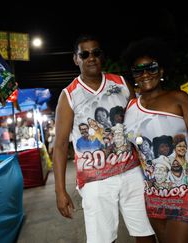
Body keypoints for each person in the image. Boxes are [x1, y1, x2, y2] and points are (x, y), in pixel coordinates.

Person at [53, 34, 155, 243]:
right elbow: (61, 145)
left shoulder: (121, 83)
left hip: (131, 172)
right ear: (76, 59)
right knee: (103, 239)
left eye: (96, 52)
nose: (91, 58)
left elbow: (138, 126)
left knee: (145, 232)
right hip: (94, 180)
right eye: (85, 54)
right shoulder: (69, 95)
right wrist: (60, 191)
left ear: (102, 56)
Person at [123, 37, 188, 243]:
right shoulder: (129, 108)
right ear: (134, 75)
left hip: (187, 191)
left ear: (162, 70)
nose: (145, 74)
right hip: (153, 197)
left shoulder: (179, 99)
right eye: (139, 70)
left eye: (151, 68)